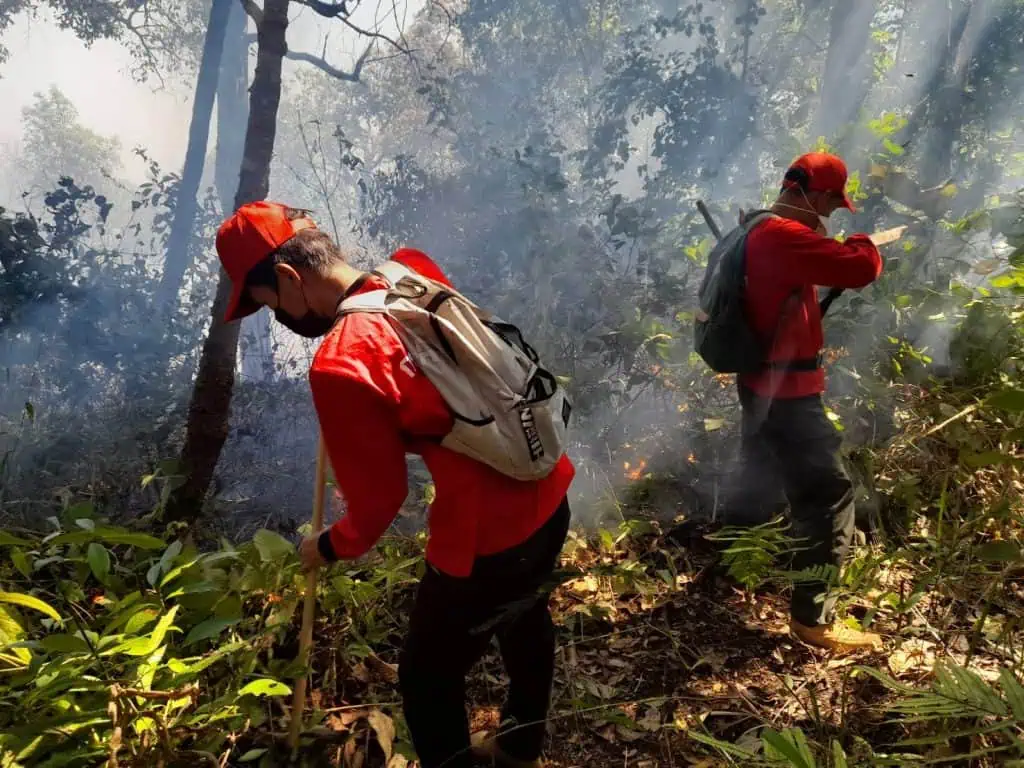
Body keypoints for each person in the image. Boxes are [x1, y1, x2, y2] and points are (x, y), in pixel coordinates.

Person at [215, 201, 575, 768]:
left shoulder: (340, 362)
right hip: (550, 488)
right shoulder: (411, 271)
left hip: (484, 540)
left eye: (269, 305)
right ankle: (520, 743)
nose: (278, 319)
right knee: (526, 610)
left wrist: (327, 544)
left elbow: (381, 505)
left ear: (288, 278)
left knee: (426, 677)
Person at [727, 152, 884, 653]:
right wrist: (863, 241)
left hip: (758, 383)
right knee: (829, 495)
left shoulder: (754, 227)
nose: (832, 216)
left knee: (765, 471)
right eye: (832, 205)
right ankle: (813, 621)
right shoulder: (784, 236)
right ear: (812, 195)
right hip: (789, 395)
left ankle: (739, 561)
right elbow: (860, 268)